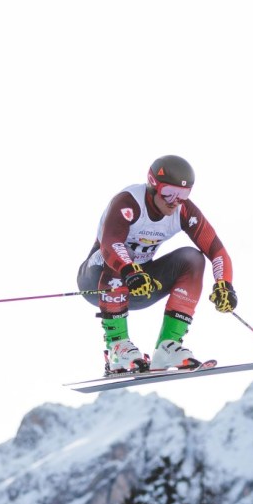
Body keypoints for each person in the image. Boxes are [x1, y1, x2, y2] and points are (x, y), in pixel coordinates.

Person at [77, 155, 237, 375]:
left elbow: (217, 251)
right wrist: (129, 270)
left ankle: (167, 347)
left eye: (183, 194)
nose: (174, 201)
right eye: (168, 193)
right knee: (115, 257)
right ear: (153, 186)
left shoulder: (183, 211)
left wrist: (225, 284)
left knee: (193, 258)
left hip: (140, 285)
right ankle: (117, 347)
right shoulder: (129, 202)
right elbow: (110, 244)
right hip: (97, 279)